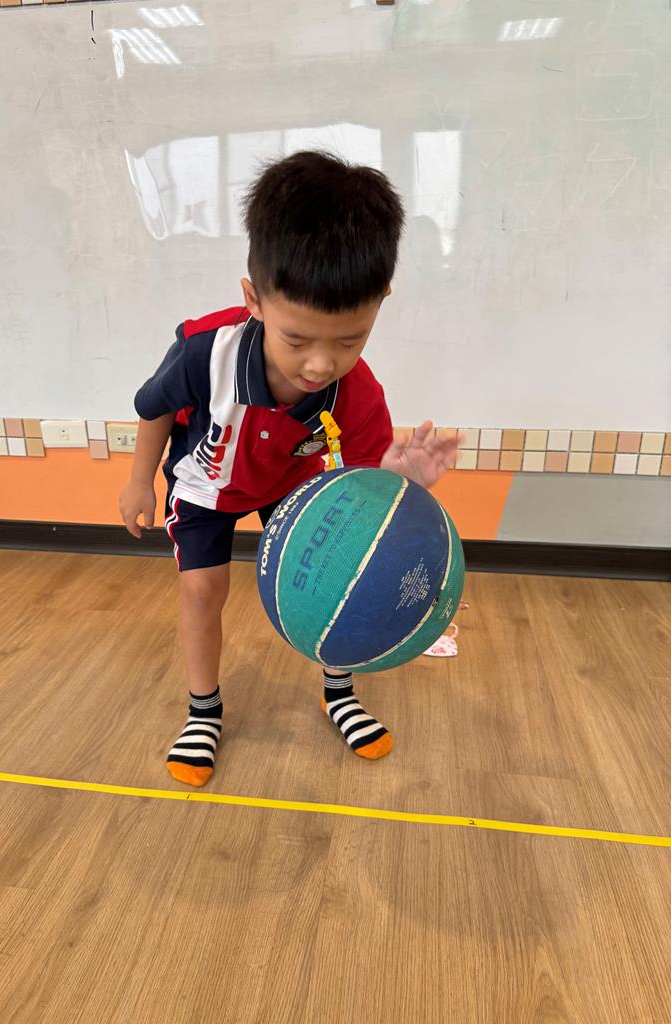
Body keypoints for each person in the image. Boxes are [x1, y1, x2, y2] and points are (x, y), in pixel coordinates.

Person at [119, 151, 459, 787]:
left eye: (350, 340)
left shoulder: (359, 393)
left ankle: (339, 693)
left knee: (339, 577)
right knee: (202, 590)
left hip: (295, 490)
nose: (321, 364)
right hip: (207, 484)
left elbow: (363, 488)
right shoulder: (206, 350)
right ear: (254, 299)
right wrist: (139, 480)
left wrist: (402, 478)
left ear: (381, 302)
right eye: (297, 340)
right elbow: (154, 407)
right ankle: (203, 709)